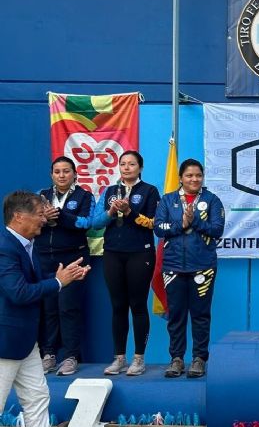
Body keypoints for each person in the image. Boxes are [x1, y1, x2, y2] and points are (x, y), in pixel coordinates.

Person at [0, 190, 89, 427]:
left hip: (26, 342)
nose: (44, 219)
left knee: (37, 398)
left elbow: (33, 283)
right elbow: (19, 293)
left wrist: (65, 277)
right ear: (19, 216)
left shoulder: (27, 245)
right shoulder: (4, 248)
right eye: (40, 214)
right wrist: (58, 282)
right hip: (5, 343)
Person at [92, 151, 160, 375]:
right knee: (118, 306)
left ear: (140, 168)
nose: (127, 167)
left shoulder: (149, 191)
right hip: (113, 253)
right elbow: (96, 223)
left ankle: (138, 359)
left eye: (132, 164)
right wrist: (111, 211)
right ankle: (119, 358)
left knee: (137, 305)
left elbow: (154, 223)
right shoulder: (110, 191)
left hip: (140, 253)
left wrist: (129, 211)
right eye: (123, 164)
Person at [154, 159, 224, 378]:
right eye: (189, 175)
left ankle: (199, 359)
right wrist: (181, 224)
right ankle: (176, 359)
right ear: (181, 178)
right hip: (173, 267)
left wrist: (194, 222)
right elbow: (159, 227)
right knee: (176, 316)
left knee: (200, 315)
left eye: (198, 175)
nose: (194, 179)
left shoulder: (212, 200)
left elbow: (217, 229)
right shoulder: (168, 200)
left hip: (203, 267)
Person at [34, 156, 96, 376]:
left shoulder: (85, 196)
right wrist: (44, 218)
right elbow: (30, 220)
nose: (61, 175)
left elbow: (86, 223)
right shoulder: (41, 196)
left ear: (75, 174)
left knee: (68, 308)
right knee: (48, 309)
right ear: (51, 175)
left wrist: (59, 216)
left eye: (66, 171)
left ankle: (71, 356)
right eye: (57, 171)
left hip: (73, 259)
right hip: (44, 258)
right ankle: (49, 354)